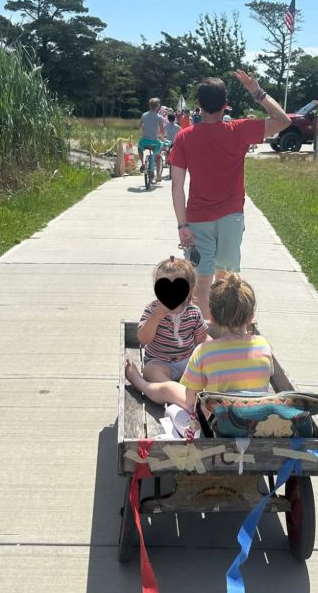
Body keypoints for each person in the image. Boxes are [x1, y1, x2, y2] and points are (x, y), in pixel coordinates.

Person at [168, 70, 291, 320]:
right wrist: (257, 92)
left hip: (198, 217)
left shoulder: (184, 137)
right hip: (231, 216)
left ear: (198, 105)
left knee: (201, 281)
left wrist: (182, 224)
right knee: (226, 279)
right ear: (226, 105)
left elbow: (177, 186)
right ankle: (224, 333)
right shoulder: (240, 130)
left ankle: (202, 337)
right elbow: (283, 120)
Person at [124, 273, 274, 413]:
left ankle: (140, 383)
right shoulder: (263, 345)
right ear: (251, 317)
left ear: (211, 317)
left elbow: (190, 398)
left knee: (169, 390)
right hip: (257, 416)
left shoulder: (205, 351)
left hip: (217, 419)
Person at [124, 257, 209, 406]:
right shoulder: (152, 309)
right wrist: (157, 316)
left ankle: (177, 394)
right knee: (152, 371)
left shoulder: (193, 312)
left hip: (187, 362)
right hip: (159, 361)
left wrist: (219, 349)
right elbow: (144, 339)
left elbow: (202, 339)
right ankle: (180, 393)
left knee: (206, 368)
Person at [137, 97, 166, 183]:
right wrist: (163, 137)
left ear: (149, 106)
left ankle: (142, 163)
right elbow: (162, 131)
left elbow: (140, 126)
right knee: (158, 156)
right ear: (158, 106)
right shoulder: (159, 117)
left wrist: (143, 130)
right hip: (154, 142)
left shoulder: (144, 115)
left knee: (139, 148)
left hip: (145, 141)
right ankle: (158, 176)